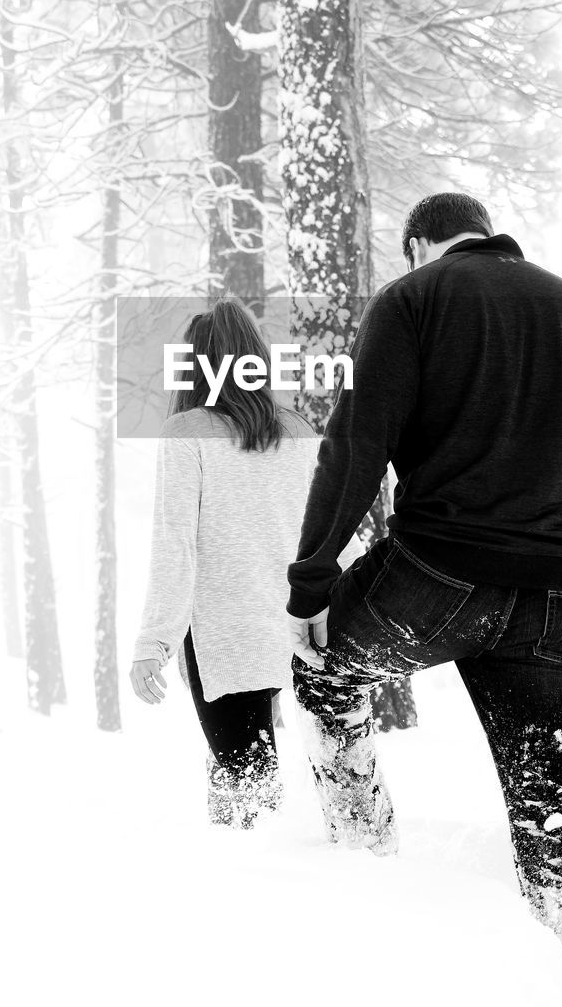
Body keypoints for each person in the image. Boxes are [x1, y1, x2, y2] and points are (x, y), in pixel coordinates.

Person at [286, 192, 562, 980]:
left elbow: (356, 445)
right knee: (550, 795)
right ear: (487, 233)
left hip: (433, 579)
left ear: (419, 243)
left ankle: (361, 855)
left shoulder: (412, 298)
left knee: (324, 671)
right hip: (555, 599)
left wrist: (312, 581)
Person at [130, 298, 359, 828]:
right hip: (298, 629)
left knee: (247, 804)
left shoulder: (188, 433)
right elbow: (330, 532)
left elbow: (175, 545)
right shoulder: (296, 428)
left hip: (225, 638)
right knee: (268, 788)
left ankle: (257, 898)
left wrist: (153, 642)